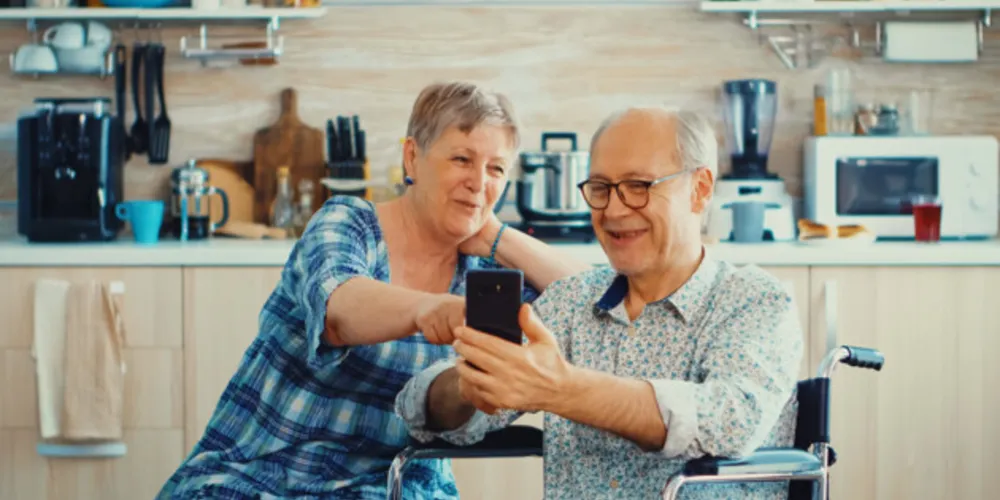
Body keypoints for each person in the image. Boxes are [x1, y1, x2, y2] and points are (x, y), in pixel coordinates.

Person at [156, 81, 590, 499]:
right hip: (262, 472)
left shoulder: (488, 274)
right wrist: (429, 309)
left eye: (496, 169)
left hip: (392, 485)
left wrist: (499, 235)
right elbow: (340, 310)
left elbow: (592, 303)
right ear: (412, 157)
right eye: (461, 159)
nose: (479, 182)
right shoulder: (348, 223)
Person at [396, 107, 804, 499]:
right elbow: (419, 408)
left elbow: (728, 421)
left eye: (638, 187)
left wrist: (560, 389)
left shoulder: (754, 301)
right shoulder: (570, 303)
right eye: (601, 188)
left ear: (699, 190)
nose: (613, 209)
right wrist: (469, 383)